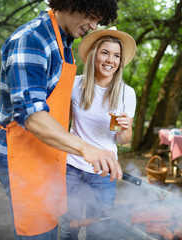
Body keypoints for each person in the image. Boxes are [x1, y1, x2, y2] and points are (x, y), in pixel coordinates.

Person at [0, 1, 121, 239]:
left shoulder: (63, 43)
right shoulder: (31, 40)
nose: (93, 26)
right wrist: (85, 148)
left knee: (50, 227)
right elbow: (33, 115)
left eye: (98, 20)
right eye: (91, 16)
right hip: (24, 157)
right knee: (38, 233)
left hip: (49, 156)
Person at [60, 27, 137, 239]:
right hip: (72, 167)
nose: (110, 60)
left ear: (120, 62)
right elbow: (60, 123)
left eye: (116, 55)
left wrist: (126, 128)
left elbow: (122, 140)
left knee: (100, 230)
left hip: (104, 171)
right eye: (105, 52)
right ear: (94, 54)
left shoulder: (126, 94)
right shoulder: (75, 84)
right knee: (69, 227)